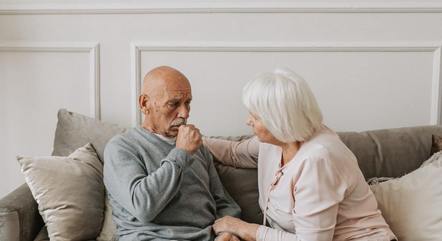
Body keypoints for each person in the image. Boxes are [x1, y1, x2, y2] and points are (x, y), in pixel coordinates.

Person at [204, 68, 397, 241]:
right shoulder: (277, 141)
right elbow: (234, 153)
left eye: (255, 116)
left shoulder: (318, 159)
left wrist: (242, 228)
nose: (248, 121)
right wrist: (188, 138)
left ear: (277, 120)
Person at [103, 66, 241, 241]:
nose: (184, 113)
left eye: (188, 103)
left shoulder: (198, 148)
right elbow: (143, 207)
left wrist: (227, 232)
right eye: (173, 103)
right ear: (145, 104)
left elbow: (225, 203)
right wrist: (181, 153)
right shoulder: (122, 147)